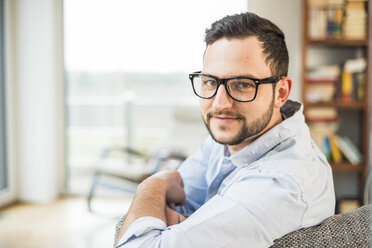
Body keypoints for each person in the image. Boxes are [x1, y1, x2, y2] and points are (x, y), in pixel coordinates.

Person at [114, 12, 335, 248]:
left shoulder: (279, 185)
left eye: (241, 85)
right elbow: (178, 203)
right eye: (210, 81)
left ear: (281, 92)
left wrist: (151, 185)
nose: (220, 103)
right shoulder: (236, 135)